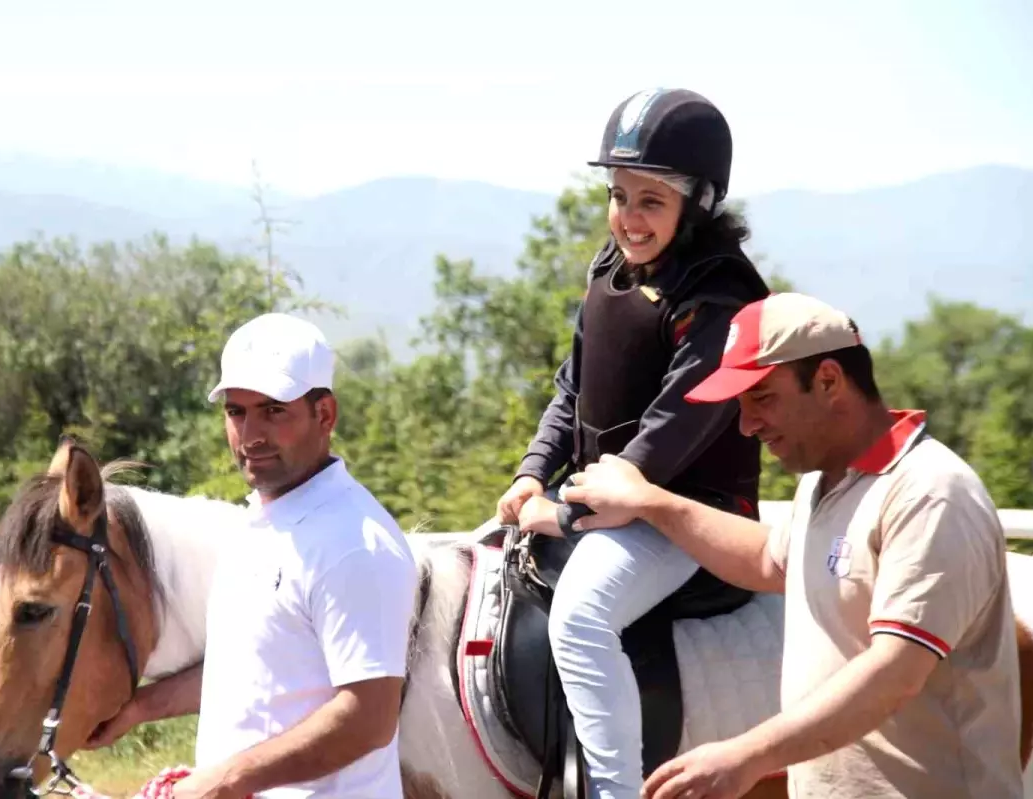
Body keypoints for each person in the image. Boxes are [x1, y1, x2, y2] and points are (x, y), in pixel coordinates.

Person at [561, 292, 1024, 799]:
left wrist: (746, 755)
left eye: (762, 398)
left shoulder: (930, 491)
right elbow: (770, 559)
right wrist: (653, 503)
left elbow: (897, 671)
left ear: (828, 380)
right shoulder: (827, 483)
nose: (746, 424)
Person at [493, 87, 770, 797]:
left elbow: (662, 444)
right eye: (619, 196)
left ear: (697, 203)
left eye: (650, 200)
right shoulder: (610, 270)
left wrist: (566, 514)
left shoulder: (721, 300)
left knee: (583, 613)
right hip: (606, 491)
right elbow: (571, 387)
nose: (628, 218)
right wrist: (532, 475)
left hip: (688, 512)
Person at [83, 312, 419, 799]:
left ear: (325, 415)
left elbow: (368, 718)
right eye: (236, 412)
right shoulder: (259, 525)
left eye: (273, 411)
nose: (251, 434)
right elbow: (251, 669)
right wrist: (137, 709)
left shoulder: (355, 544)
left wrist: (226, 779)